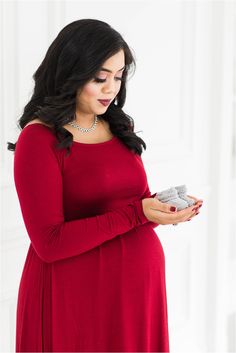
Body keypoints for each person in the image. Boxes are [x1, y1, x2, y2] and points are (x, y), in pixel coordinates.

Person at [7, 18, 202, 352]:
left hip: (138, 295)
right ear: (71, 72)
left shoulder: (119, 124)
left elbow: (133, 202)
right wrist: (138, 214)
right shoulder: (38, 140)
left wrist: (162, 208)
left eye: (118, 76)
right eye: (100, 78)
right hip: (77, 301)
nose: (111, 89)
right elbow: (49, 243)